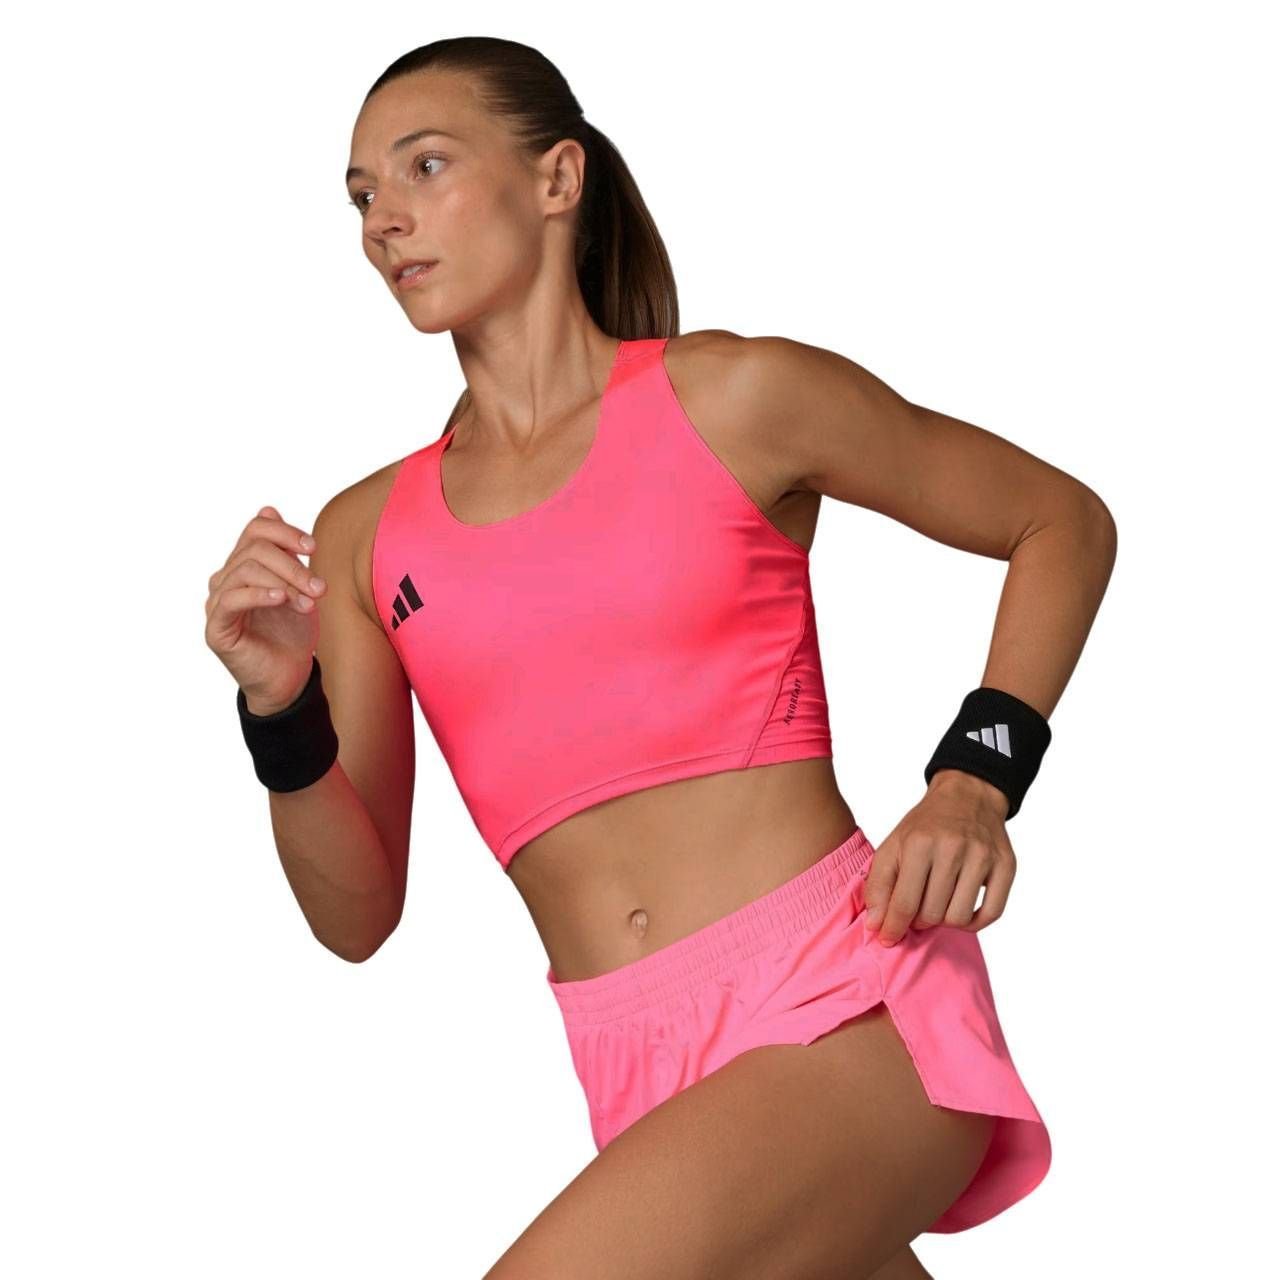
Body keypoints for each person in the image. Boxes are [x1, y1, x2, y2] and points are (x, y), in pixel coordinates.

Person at [206, 36, 1117, 1280]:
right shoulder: (369, 535)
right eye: (361, 193)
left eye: (425, 167)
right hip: (634, 1068)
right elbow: (354, 916)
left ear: (556, 178)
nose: (383, 220)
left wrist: (973, 780)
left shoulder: (734, 397)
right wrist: (281, 706)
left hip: (845, 1000)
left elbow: (1057, 520)